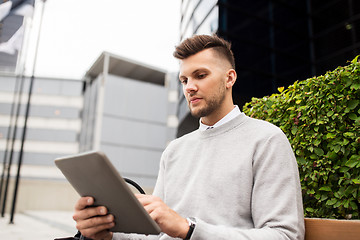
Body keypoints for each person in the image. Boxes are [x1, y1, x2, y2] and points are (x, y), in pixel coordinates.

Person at [72, 34, 305, 240]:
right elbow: (159, 235)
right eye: (184, 80)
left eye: (200, 75)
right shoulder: (175, 150)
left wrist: (188, 229)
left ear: (229, 78)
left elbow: (285, 235)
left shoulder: (266, 140)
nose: (189, 87)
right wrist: (107, 234)